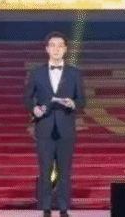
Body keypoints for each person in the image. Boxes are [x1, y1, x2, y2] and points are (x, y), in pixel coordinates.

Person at [24, 32, 85, 217]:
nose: (56, 49)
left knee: (65, 171)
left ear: (65, 49)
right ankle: (46, 208)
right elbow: (27, 98)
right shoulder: (37, 73)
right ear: (47, 49)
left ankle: (64, 208)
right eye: (53, 45)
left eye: (60, 46)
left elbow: (82, 100)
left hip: (66, 127)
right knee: (45, 170)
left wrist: (73, 103)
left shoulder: (75, 73)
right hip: (44, 127)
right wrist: (34, 109)